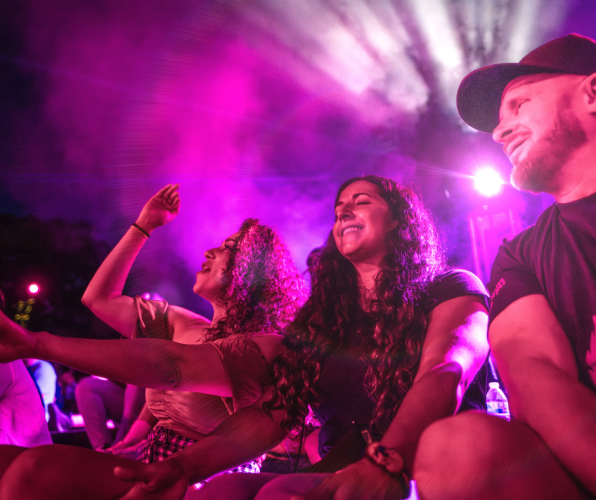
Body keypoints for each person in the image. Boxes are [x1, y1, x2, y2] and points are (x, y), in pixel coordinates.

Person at [0, 176, 488, 499]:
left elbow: (445, 370)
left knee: (268, 494)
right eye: (338, 207)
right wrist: (184, 467)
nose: (344, 212)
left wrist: (386, 462)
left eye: (362, 202)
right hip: (343, 465)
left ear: (403, 221)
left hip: (431, 458)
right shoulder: (321, 325)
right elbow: (269, 411)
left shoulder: (451, 286)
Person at [0, 184, 306, 499]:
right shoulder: (182, 322)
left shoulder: (262, 345)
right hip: (151, 463)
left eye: (228, 247)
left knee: (38, 468)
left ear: (252, 271)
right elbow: (98, 299)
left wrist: (33, 343)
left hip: (207, 483)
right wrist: (143, 225)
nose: (209, 252)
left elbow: (169, 368)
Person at [409, 33, 596, 500]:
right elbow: (532, 375)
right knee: (455, 447)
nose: (498, 132)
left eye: (520, 104)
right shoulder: (520, 254)